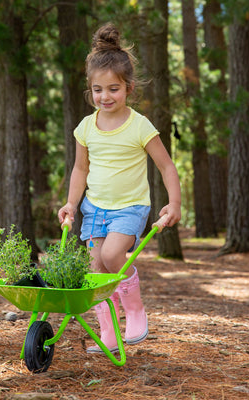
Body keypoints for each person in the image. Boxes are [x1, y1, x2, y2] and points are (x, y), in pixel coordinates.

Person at [58, 23, 181, 353]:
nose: (105, 96)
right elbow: (80, 169)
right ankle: (108, 333)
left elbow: (167, 166)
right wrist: (71, 204)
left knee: (113, 256)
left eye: (113, 89)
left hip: (130, 207)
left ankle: (135, 308)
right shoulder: (86, 127)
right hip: (94, 208)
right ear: (90, 90)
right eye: (98, 90)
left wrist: (174, 203)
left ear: (128, 88)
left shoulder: (139, 125)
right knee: (95, 270)